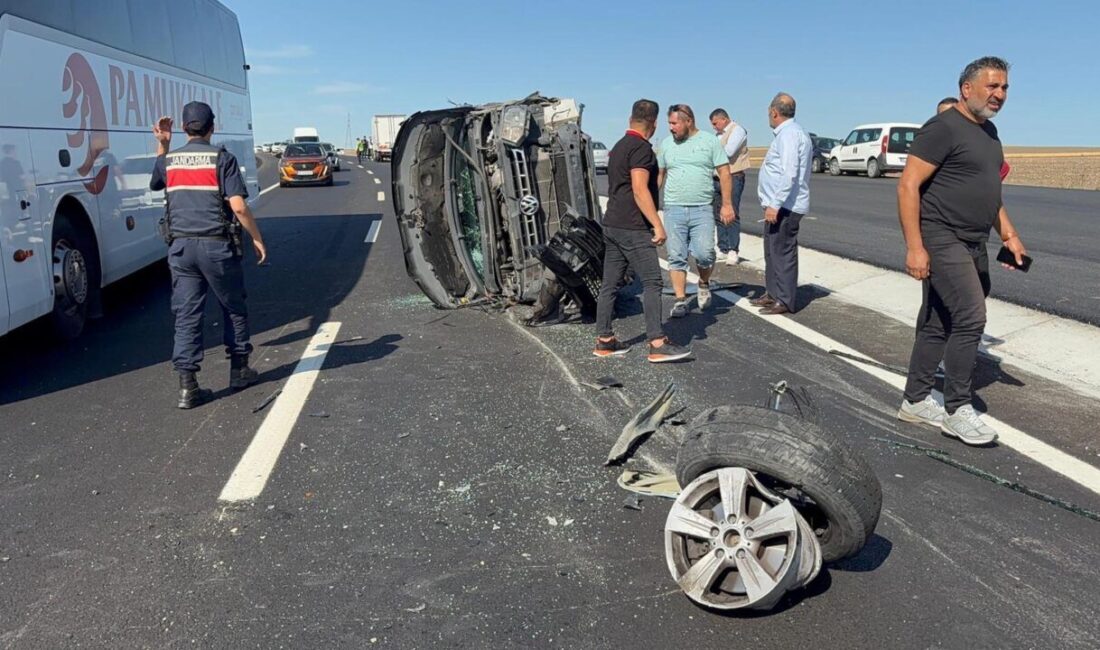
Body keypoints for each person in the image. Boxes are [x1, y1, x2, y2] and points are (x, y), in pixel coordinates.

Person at [896, 56, 1027, 446]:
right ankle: (957, 409)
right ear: (966, 88)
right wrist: (915, 247)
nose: (1000, 94)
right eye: (992, 86)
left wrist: (1009, 235)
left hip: (973, 241)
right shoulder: (942, 128)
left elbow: (990, 193)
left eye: (1004, 87)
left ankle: (916, 400)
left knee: (940, 322)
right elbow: (907, 187)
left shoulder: (990, 134)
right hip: (941, 236)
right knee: (971, 315)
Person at [150, 101, 268, 409]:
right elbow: (238, 206)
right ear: (212, 127)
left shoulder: (170, 161)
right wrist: (257, 238)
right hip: (216, 246)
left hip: (180, 249)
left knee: (187, 315)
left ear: (184, 129)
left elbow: (157, 182)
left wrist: (163, 144)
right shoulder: (222, 159)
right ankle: (240, 370)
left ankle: (188, 387)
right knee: (233, 306)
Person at [593, 99, 691, 363]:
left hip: (612, 224)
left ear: (630, 119)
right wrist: (657, 224)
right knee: (652, 281)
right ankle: (657, 342)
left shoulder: (619, 146)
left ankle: (604, 340)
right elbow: (639, 189)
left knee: (609, 284)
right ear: (655, 123)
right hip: (632, 227)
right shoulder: (641, 149)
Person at [657, 104, 734, 318]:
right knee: (676, 256)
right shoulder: (666, 145)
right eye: (669, 123)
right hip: (673, 209)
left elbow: (725, 173)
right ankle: (680, 301)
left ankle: (703, 282)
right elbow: (660, 176)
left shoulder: (709, 142)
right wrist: (651, 207)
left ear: (688, 121)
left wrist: (727, 204)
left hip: (702, 209)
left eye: (674, 123)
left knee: (705, 254)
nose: (671, 128)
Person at [753, 93, 812, 315]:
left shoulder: (789, 135)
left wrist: (775, 204)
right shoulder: (788, 133)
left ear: (774, 112)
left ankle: (785, 299)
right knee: (771, 250)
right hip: (777, 204)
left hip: (785, 206)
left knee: (782, 251)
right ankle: (773, 293)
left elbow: (789, 174)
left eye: (769, 111)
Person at [709, 108, 749, 265]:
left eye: (715, 123)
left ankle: (733, 249)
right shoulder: (718, 135)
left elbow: (729, 151)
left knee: (732, 213)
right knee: (718, 213)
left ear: (724, 119)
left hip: (733, 176)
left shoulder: (737, 130)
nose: (714, 127)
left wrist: (711, 152)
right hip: (717, 178)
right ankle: (723, 247)